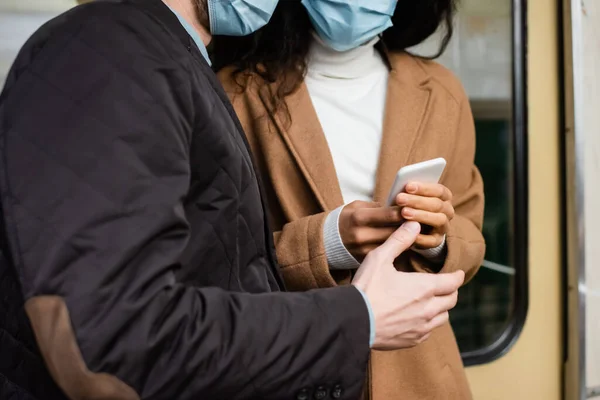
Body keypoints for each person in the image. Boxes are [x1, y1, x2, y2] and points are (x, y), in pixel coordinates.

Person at [0, 0, 466, 399]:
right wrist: (355, 311)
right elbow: (121, 335)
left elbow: (215, 268)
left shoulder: (175, 57)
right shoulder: (113, 51)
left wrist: (432, 241)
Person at [214, 1, 486, 399]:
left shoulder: (443, 91)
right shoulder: (236, 94)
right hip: (293, 367)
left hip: (423, 374)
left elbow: (471, 233)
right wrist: (325, 243)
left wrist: (438, 238)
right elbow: (213, 263)